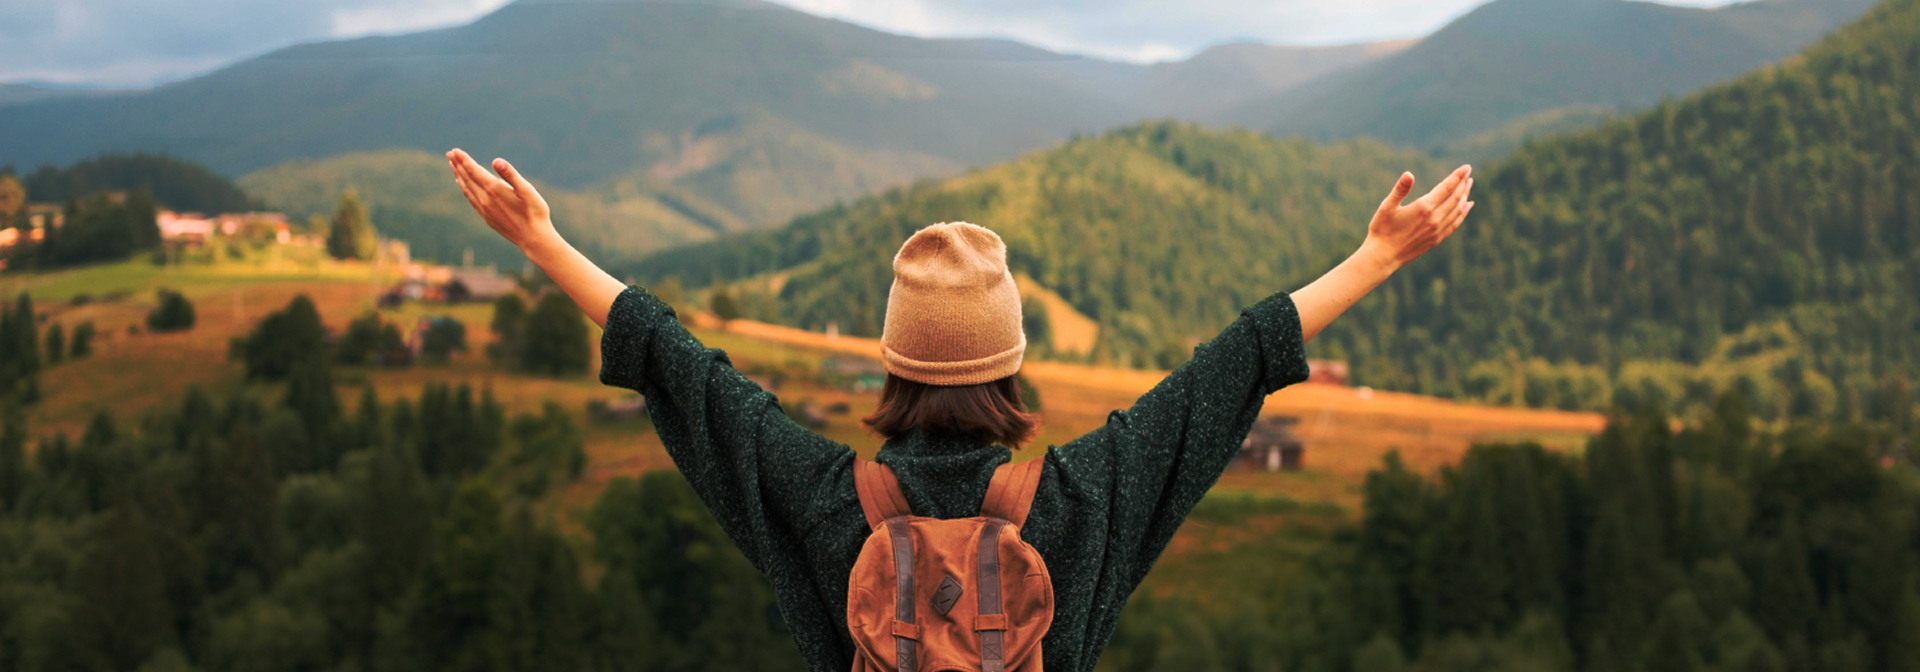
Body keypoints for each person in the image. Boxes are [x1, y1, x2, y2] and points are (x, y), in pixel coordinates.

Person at [446, 148, 1474, 672]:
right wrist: (1379, 253)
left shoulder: (820, 496)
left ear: (894, 362)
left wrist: (541, 243)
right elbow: (1232, 368)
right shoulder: (1083, 496)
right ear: (1013, 365)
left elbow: (677, 364)